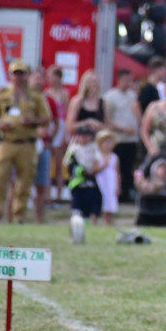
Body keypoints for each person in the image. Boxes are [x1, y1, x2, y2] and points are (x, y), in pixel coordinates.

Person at [0, 60, 52, 223]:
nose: (19, 77)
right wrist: (0, 125)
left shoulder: (36, 96)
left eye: (22, 73)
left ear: (27, 76)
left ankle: (18, 215)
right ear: (10, 75)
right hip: (6, 141)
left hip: (27, 142)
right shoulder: (2, 95)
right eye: (16, 74)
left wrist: (33, 122)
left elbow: (46, 118)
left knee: (24, 182)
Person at [102, 68, 140, 201]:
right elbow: (108, 120)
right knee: (117, 168)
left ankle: (127, 193)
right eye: (126, 80)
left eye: (130, 80)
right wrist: (124, 129)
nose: (128, 83)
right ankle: (115, 193)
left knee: (128, 168)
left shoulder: (133, 96)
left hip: (131, 139)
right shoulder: (110, 97)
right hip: (118, 139)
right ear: (119, 80)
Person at [30, 69, 59, 223]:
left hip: (43, 146)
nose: (38, 81)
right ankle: (14, 218)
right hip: (26, 144)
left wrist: (49, 140)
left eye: (41, 78)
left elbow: (56, 123)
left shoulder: (49, 100)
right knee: (17, 184)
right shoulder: (22, 99)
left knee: (41, 184)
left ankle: (39, 218)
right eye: (35, 77)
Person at [64, 124, 103, 224]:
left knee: (94, 203)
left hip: (91, 181)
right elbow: (69, 165)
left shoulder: (94, 148)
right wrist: (82, 171)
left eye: (86, 135)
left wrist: (93, 170)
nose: (84, 138)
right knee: (78, 206)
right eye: (81, 135)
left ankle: (92, 222)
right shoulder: (73, 149)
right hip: (78, 182)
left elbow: (98, 161)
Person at [44, 66, 70, 201]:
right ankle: (47, 194)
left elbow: (65, 113)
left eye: (53, 76)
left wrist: (66, 134)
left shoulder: (64, 94)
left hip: (60, 126)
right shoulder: (46, 93)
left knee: (59, 164)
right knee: (47, 162)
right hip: (50, 125)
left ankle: (59, 194)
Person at [66, 69, 106, 137]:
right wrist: (87, 122)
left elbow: (108, 125)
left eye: (97, 82)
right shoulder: (78, 102)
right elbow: (69, 126)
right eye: (93, 82)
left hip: (97, 140)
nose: (95, 84)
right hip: (80, 140)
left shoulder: (102, 102)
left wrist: (99, 126)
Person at [95, 129, 119, 225]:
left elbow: (117, 172)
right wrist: (103, 166)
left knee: (110, 202)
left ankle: (109, 221)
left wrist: (118, 186)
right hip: (101, 181)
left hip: (111, 182)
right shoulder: (97, 156)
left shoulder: (114, 157)